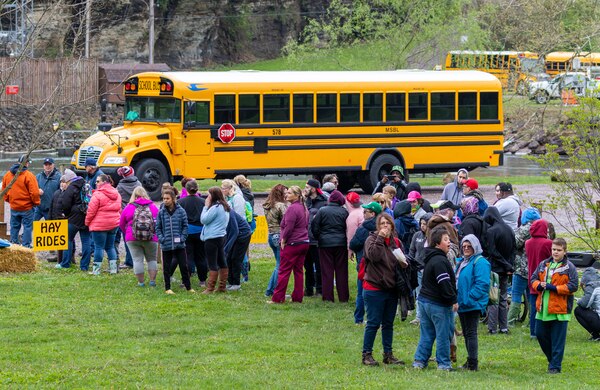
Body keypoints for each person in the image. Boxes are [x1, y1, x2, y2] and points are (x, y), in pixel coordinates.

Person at [360, 213, 406, 366]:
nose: (385, 226)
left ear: (392, 226)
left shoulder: (396, 242)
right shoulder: (371, 240)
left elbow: (401, 262)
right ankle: (367, 354)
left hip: (391, 288)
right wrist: (380, 238)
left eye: (388, 223)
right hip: (374, 288)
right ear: (378, 226)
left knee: (388, 323)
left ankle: (388, 354)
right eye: (382, 223)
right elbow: (374, 256)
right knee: (373, 322)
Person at [413, 226, 458, 371]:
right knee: (443, 335)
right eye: (446, 239)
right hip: (437, 304)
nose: (449, 242)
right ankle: (444, 364)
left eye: (449, 239)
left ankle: (419, 361)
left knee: (427, 333)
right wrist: (453, 300)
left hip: (424, 301)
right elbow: (444, 283)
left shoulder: (431, 258)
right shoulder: (440, 261)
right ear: (437, 243)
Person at [531, 238, 578, 374]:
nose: (555, 252)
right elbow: (533, 279)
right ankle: (553, 360)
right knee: (540, 334)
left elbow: (573, 286)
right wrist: (538, 285)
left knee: (557, 340)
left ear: (565, 251)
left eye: (558, 250)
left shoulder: (570, 267)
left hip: (560, 309)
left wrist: (555, 288)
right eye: (554, 249)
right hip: (543, 307)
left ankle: (555, 367)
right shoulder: (543, 264)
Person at [455, 234, 491, 371]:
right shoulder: (463, 261)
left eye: (469, 246)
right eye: (464, 246)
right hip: (463, 303)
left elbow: (482, 284)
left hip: (471, 304)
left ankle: (472, 363)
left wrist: (468, 299)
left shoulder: (480, 262)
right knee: (466, 333)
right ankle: (470, 360)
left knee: (471, 333)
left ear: (475, 246)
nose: (466, 248)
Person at [270, 186, 309, 304]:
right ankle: (298, 297)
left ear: (297, 195)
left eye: (290, 193)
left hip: (293, 243)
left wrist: (284, 239)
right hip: (304, 242)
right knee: (298, 271)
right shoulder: (304, 208)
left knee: (284, 271)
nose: (286, 195)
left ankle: (278, 298)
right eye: (286, 193)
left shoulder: (292, 208)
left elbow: (289, 226)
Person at [312, 190, 349, 302]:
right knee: (341, 271)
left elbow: (315, 226)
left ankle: (328, 297)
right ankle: (343, 297)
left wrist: (320, 237)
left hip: (325, 243)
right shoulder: (344, 212)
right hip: (341, 243)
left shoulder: (322, 211)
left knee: (326, 271)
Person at [483, 206, 515, 334]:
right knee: (503, 298)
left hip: (495, 269)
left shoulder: (491, 231)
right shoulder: (509, 229)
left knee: (493, 298)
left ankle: (492, 327)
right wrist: (509, 265)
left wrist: (503, 264)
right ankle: (504, 327)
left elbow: (492, 251)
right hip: (506, 269)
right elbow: (513, 249)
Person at [350, 201, 382, 324]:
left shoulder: (364, 228)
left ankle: (358, 319)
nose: (363, 213)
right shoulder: (382, 227)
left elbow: (354, 243)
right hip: (379, 268)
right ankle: (375, 318)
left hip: (364, 265)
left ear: (373, 213)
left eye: (366, 212)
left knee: (361, 293)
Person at [119, 186, 159, 287]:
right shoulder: (153, 206)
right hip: (151, 237)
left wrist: (128, 233)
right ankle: (152, 281)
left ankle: (141, 283)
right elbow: (158, 222)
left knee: (137, 260)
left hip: (132, 238)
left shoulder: (129, 207)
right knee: (152, 259)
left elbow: (121, 224)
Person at [508, 207, 541, 325]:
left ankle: (510, 321)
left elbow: (515, 243)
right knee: (531, 294)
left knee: (516, 293)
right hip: (534, 268)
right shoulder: (542, 228)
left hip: (521, 267)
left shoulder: (524, 229)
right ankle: (532, 321)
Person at [157, 189, 193, 294]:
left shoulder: (181, 211)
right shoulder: (161, 212)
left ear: (173, 199)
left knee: (183, 266)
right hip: (166, 244)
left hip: (179, 244)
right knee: (166, 267)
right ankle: (167, 288)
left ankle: (188, 287)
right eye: (164, 198)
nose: (165, 201)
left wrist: (182, 238)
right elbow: (158, 228)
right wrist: (162, 239)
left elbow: (185, 226)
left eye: (167, 198)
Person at [85, 174, 121, 275]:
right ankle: (113, 269)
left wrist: (87, 222)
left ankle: (96, 270)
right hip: (113, 224)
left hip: (99, 225)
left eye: (97, 181)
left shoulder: (97, 194)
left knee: (98, 247)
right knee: (110, 247)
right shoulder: (116, 193)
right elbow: (119, 208)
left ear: (103, 182)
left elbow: (91, 211)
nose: (96, 183)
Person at [2, 154, 40, 248]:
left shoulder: (7, 175)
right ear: (26, 163)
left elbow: (4, 191)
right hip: (27, 207)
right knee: (27, 227)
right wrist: (36, 203)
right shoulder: (29, 175)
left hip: (14, 207)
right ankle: (26, 246)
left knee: (14, 227)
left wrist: (10, 201)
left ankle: (13, 245)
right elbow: (34, 193)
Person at [525, 219, 553, 338]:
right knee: (545, 305)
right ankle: (544, 331)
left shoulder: (527, 243)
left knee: (533, 307)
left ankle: (533, 332)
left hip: (532, 277)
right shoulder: (548, 243)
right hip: (545, 277)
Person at [58, 169, 91, 270]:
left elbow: (66, 203)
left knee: (68, 239)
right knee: (86, 241)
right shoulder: (86, 184)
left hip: (74, 217)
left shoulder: (71, 186)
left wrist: (67, 214)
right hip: (86, 214)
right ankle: (84, 266)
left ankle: (65, 263)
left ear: (68, 179)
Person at [200, 186, 230, 294]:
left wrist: (205, 207)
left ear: (212, 195)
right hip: (221, 236)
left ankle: (210, 288)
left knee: (212, 262)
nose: (207, 197)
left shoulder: (215, 207)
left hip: (212, 237)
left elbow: (203, 220)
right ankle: (222, 286)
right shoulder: (225, 206)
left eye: (209, 195)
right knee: (222, 260)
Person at [177, 179, 207, 287]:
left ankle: (186, 281)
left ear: (186, 189)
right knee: (201, 257)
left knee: (187, 257)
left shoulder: (181, 202)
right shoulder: (203, 202)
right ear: (197, 189)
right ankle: (203, 280)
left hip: (187, 232)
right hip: (200, 232)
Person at [408, 212, 433, 326]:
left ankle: (429, 316)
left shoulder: (433, 236)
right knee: (419, 293)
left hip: (429, 269)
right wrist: (410, 262)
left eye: (425, 224)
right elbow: (412, 250)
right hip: (417, 268)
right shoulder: (417, 235)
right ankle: (419, 316)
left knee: (430, 293)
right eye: (421, 224)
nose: (423, 226)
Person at [303, 178, 327, 296]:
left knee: (319, 266)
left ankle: (320, 289)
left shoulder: (323, 202)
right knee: (307, 266)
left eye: (307, 187)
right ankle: (308, 289)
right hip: (305, 239)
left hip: (317, 240)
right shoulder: (305, 201)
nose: (305, 189)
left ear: (313, 189)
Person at [263, 184, 288, 297]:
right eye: (285, 192)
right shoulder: (281, 206)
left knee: (278, 264)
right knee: (280, 265)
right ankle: (272, 290)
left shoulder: (268, 205)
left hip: (271, 235)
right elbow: (286, 221)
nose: (287, 195)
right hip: (279, 235)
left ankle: (271, 290)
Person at [115, 166, 141, 270]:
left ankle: (129, 261)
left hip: (125, 214)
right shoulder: (138, 184)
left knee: (127, 239)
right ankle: (136, 259)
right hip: (137, 212)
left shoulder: (120, 186)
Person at [224, 207, 252, 291]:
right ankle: (231, 282)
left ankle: (236, 284)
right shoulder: (222, 212)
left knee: (235, 259)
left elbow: (235, 231)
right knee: (229, 258)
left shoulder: (229, 213)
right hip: (236, 235)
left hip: (243, 235)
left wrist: (226, 248)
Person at [574, 267, 600, 341]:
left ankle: (596, 336)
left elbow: (585, 304)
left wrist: (578, 300)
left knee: (578, 310)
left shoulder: (592, 286)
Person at [34, 157, 61, 222]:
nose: (48, 166)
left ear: (53, 165)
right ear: (43, 166)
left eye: (50, 164)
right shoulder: (38, 176)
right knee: (30, 224)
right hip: (39, 207)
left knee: (50, 230)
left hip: (51, 209)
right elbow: (32, 188)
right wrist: (37, 190)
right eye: (46, 165)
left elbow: (62, 192)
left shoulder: (59, 177)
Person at [345, 191, 364, 260]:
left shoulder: (353, 216)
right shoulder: (363, 210)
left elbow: (351, 234)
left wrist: (350, 249)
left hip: (360, 247)